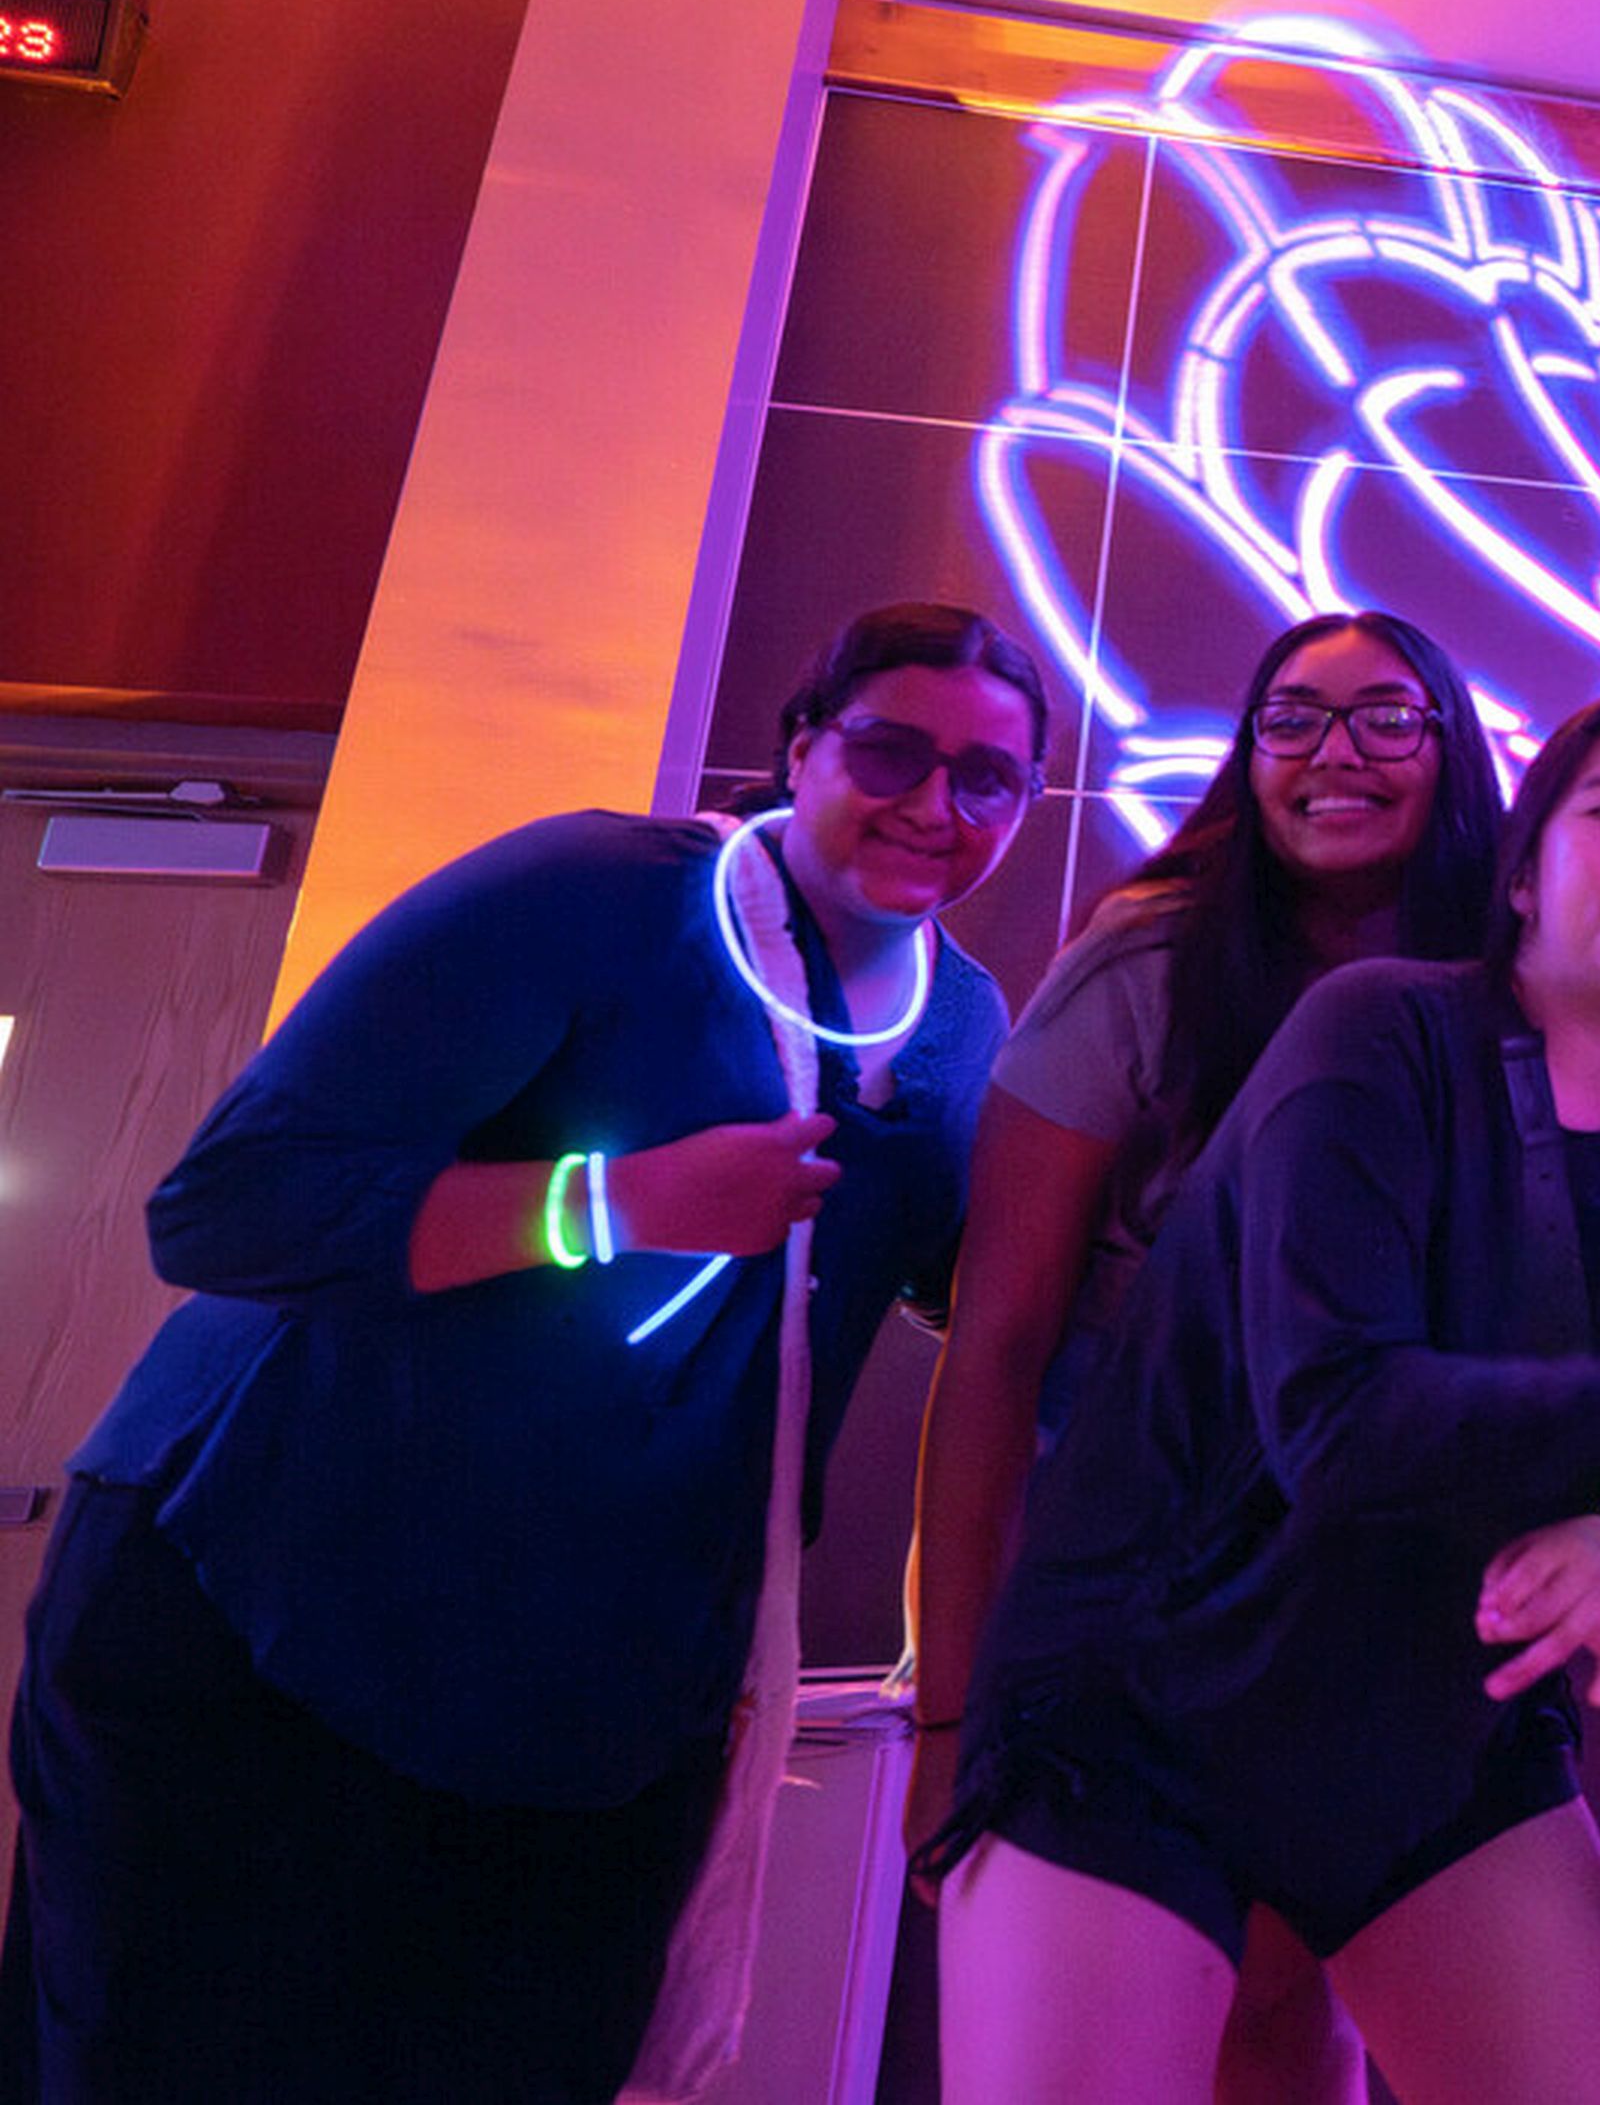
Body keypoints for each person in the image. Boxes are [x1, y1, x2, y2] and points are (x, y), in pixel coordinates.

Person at [1, 602, 1046, 2104]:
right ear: (801, 745)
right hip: (265, 1615)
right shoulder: (599, 893)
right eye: (892, 749)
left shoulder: (960, 1021)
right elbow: (226, 1206)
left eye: (990, 777)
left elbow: (977, 1289)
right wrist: (618, 1199)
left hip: (589, 1707)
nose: (938, 804)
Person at [926, 694, 1600, 2105]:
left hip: (1436, 1750)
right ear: (1521, 871)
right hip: (1143, 1719)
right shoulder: (1379, 1031)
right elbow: (1342, 1420)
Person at [906, 608, 1502, 2101]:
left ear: (1452, 751)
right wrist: (950, 1711)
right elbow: (998, 1341)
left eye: (1386, 718)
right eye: (1292, 718)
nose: (1334, 754)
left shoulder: (1503, 977)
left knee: (1306, 2020)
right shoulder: (1151, 964)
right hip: (1140, 1594)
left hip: (1393, 1604)